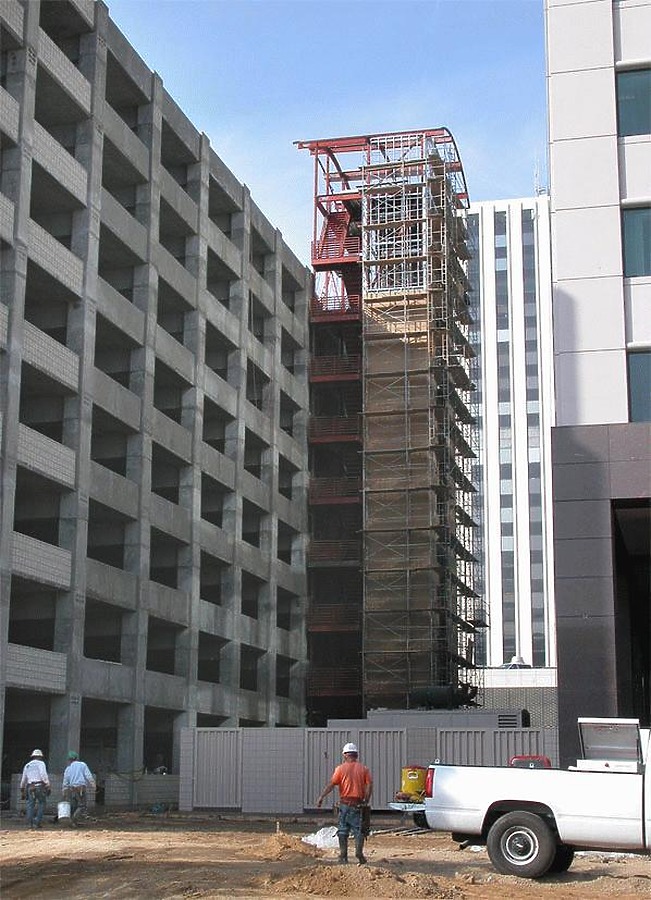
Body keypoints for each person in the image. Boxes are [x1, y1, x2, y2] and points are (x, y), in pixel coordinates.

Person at [316, 742, 373, 865]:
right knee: (359, 830)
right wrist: (366, 800)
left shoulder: (340, 769)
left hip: (345, 804)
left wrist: (321, 797)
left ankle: (343, 856)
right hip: (358, 804)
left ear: (345, 755)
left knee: (342, 829)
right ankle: (358, 853)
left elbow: (332, 784)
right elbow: (369, 785)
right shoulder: (364, 769)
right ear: (356, 755)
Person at [62, 751, 96, 824]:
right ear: (76, 758)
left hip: (72, 789)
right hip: (80, 788)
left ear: (69, 759)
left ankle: (73, 822)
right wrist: (93, 785)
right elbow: (88, 776)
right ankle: (73, 820)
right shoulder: (82, 765)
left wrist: (64, 791)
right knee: (82, 806)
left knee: (74, 806)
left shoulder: (68, 768)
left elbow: (65, 781)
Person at [20, 748, 50, 829]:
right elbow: (43, 774)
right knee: (42, 803)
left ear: (33, 756)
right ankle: (37, 822)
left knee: (30, 805)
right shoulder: (41, 763)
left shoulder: (27, 765)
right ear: (40, 756)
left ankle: (30, 823)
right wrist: (47, 784)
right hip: (39, 786)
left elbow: (24, 778)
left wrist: (22, 788)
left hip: (30, 787)